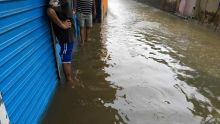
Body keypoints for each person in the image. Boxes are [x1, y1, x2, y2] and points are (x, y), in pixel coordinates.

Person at [47, 0, 77, 87]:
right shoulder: (56, 1)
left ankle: (70, 79)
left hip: (69, 34)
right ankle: (69, 82)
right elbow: (49, 11)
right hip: (66, 35)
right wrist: (62, 25)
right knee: (66, 60)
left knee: (67, 59)